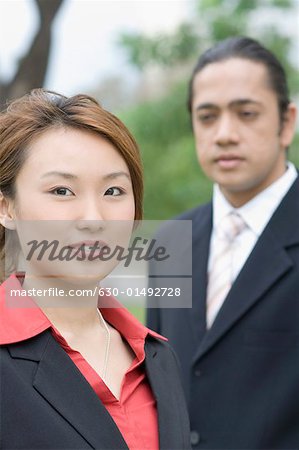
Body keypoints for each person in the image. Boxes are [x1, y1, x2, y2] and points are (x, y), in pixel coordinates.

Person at [0, 89, 191, 450]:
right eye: (61, 190)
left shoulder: (158, 358)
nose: (93, 218)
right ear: (7, 208)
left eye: (114, 191)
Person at [147, 36, 299, 449]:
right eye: (207, 116)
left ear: (287, 122)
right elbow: (157, 383)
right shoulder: (170, 242)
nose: (225, 134)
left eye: (246, 113)